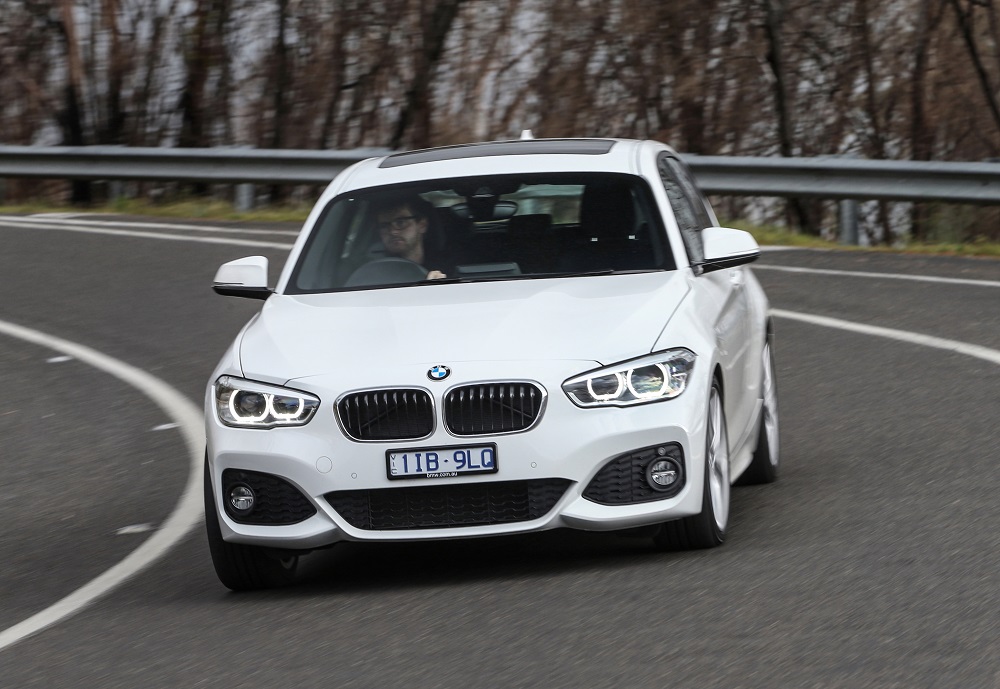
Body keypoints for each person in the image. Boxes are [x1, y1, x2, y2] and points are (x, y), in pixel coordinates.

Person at [375, 195, 449, 279]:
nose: (393, 232)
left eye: (400, 223)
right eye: (384, 226)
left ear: (422, 225)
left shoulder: (449, 269)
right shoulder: (373, 272)